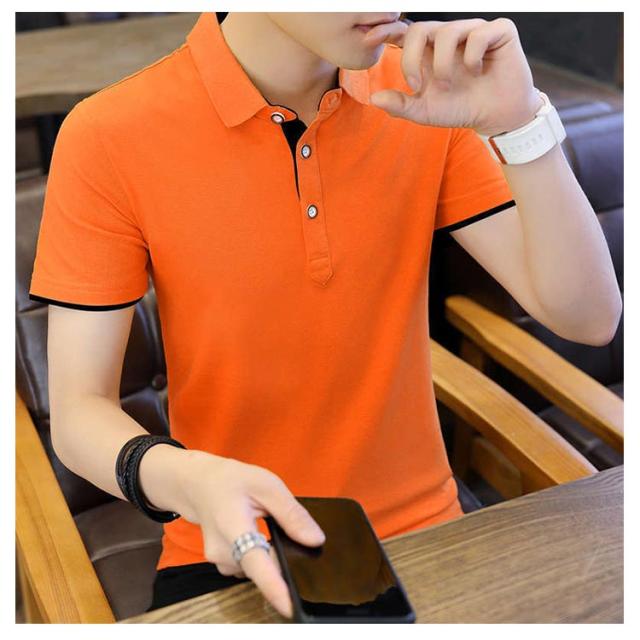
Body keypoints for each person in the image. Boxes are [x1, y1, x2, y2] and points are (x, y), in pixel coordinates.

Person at [28, 11, 622, 620]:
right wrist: (190, 480)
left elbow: (589, 318)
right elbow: (78, 415)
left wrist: (519, 123)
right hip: (228, 540)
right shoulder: (109, 133)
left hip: (429, 531)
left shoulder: (426, 92)